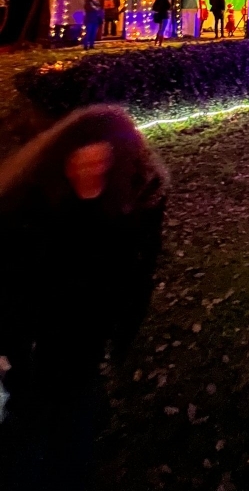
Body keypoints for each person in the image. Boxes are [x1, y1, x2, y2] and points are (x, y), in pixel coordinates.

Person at [0, 105, 168, 491]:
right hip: (31, 338)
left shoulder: (130, 204)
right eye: (81, 162)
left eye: (100, 163)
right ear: (64, 160)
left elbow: (137, 270)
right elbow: (11, 277)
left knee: (71, 429)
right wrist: (7, 342)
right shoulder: (30, 205)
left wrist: (123, 327)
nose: (89, 172)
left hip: (83, 339)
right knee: (26, 431)